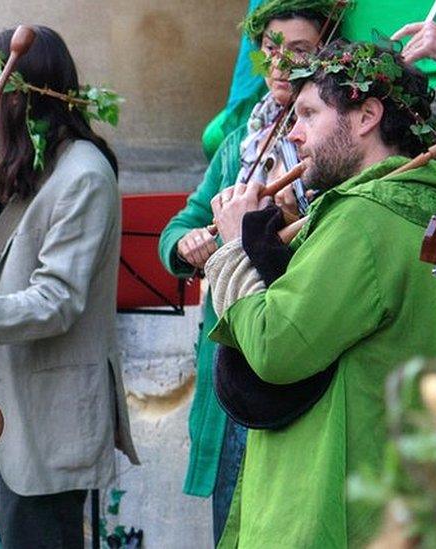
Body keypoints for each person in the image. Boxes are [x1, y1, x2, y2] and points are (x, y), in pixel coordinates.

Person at [205, 40, 436, 547]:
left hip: (329, 507)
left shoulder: (363, 218)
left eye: (309, 113)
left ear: (366, 116)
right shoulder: (415, 210)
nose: (295, 132)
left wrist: (232, 247)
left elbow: (273, 346)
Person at [156, 0, 334, 540]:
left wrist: (281, 222)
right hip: (234, 356)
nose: (280, 64)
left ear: (325, 54)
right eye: (271, 51)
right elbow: (182, 222)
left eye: (299, 51)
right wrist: (184, 245)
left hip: (291, 353)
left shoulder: (331, 145)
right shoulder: (241, 143)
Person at [0, 26, 136, 549]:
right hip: (1, 418)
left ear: (19, 95)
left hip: (48, 422)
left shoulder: (82, 174)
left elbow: (55, 302)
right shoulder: (29, 168)